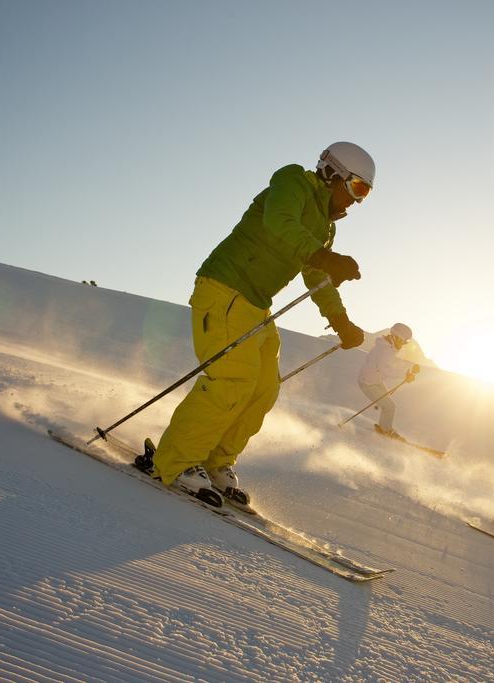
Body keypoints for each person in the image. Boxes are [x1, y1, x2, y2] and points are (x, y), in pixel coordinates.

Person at [146, 142, 375, 509]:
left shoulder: (325, 229)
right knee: (234, 378)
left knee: (264, 388)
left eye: (366, 194)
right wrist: (322, 255)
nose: (357, 201)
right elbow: (280, 221)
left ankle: (215, 461)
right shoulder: (292, 182)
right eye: (358, 188)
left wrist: (340, 320)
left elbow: (316, 275)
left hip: (255, 305)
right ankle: (175, 461)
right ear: (334, 173)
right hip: (225, 287)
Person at [357, 323, 420, 441]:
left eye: (405, 342)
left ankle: (384, 427)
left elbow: (390, 363)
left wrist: (409, 369)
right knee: (390, 407)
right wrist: (405, 374)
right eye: (403, 341)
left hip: (373, 379)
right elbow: (386, 370)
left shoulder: (387, 347)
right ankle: (386, 430)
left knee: (388, 404)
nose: (403, 344)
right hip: (368, 383)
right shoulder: (385, 350)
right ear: (396, 337)